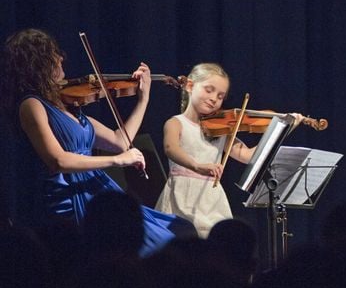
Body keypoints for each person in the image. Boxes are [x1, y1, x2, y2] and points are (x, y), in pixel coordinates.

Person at [0, 28, 194, 257]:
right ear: (38, 62)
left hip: (95, 188)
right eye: (53, 54)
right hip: (69, 196)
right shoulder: (31, 105)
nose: (61, 58)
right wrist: (116, 160)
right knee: (156, 242)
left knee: (180, 230)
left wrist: (144, 99)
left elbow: (120, 140)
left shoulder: (71, 108)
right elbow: (57, 160)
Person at [156, 63, 292, 238]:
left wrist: (281, 130)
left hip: (212, 199)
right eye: (209, 90)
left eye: (220, 96)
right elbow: (171, 148)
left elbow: (247, 155)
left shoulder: (220, 132)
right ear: (190, 86)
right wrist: (197, 165)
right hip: (181, 194)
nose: (214, 98)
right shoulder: (176, 122)